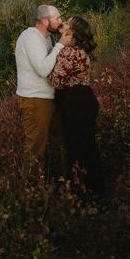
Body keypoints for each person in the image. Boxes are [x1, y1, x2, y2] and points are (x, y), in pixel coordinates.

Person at [49, 16, 105, 197]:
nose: (63, 23)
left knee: (78, 150)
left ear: (71, 32)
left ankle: (85, 194)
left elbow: (55, 80)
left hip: (75, 104)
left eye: (67, 23)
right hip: (83, 101)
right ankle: (95, 190)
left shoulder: (69, 52)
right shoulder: (79, 50)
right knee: (88, 148)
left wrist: (56, 49)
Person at [14, 4, 64, 172]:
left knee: (63, 139)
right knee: (35, 151)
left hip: (49, 98)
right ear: (45, 21)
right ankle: (31, 192)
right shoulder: (30, 38)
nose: (60, 21)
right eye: (57, 18)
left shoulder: (46, 38)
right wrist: (60, 45)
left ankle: (67, 183)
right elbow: (43, 69)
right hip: (35, 101)